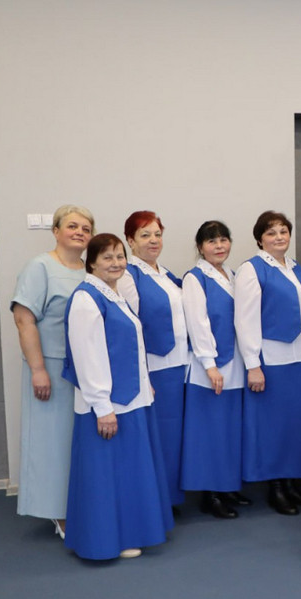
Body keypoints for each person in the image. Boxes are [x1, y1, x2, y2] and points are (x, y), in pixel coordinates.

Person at [62, 233, 172, 560]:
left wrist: (145, 382)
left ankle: (132, 532)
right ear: (92, 263)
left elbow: (129, 346)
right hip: (109, 406)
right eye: (107, 257)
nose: (116, 263)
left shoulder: (114, 294)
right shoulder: (86, 299)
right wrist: (102, 407)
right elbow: (88, 357)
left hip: (132, 399)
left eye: (120, 256)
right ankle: (108, 540)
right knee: (109, 475)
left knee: (129, 472)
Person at [11, 205, 94, 540]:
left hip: (84, 371)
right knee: (53, 443)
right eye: (72, 226)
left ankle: (80, 504)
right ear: (56, 231)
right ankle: (57, 512)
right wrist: (38, 369)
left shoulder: (90, 270)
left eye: (86, 228)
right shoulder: (40, 267)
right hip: (51, 368)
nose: (79, 232)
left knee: (78, 442)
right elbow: (23, 319)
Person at [234, 211, 301, 516]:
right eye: (271, 233)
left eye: (283, 231)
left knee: (297, 425)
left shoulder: (294, 267)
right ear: (260, 239)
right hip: (271, 361)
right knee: (273, 427)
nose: (279, 237)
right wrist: (253, 364)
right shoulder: (252, 269)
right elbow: (245, 320)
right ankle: (276, 488)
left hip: (300, 359)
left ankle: (292, 483)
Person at [118, 211, 189, 509]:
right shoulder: (128, 275)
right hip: (156, 368)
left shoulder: (165, 274)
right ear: (130, 241)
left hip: (180, 365)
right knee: (160, 437)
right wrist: (142, 375)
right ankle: (157, 501)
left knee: (174, 437)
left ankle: (171, 498)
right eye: (145, 235)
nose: (153, 240)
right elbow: (130, 328)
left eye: (157, 234)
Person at [180, 221, 251, 519]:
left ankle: (226, 486)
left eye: (223, 239)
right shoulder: (195, 278)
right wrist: (209, 365)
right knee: (209, 432)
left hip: (234, 364)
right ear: (200, 247)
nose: (219, 246)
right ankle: (210, 494)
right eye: (211, 241)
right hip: (208, 369)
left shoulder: (233, 276)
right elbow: (198, 323)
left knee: (228, 430)